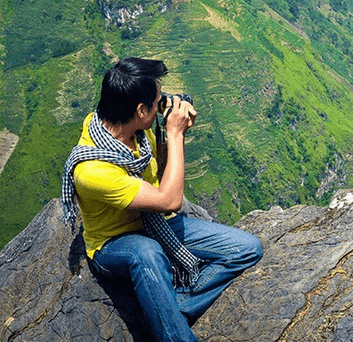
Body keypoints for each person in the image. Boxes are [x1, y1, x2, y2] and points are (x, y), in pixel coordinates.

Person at [61, 57, 262, 342]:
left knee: (247, 248)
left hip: (157, 223)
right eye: (157, 102)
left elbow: (163, 171)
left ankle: (170, 308)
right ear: (140, 110)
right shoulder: (92, 170)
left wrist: (169, 132)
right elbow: (169, 200)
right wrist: (175, 133)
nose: (162, 105)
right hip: (114, 242)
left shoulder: (133, 131)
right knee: (145, 253)